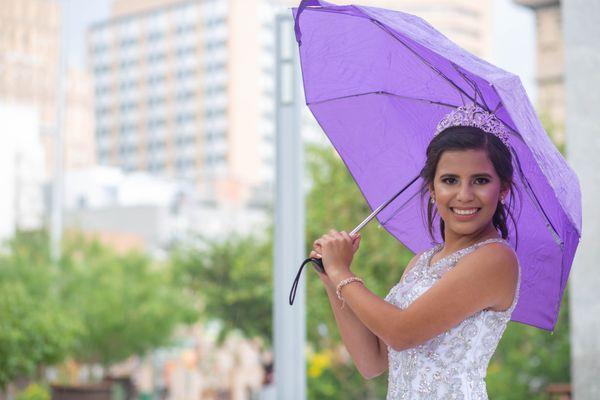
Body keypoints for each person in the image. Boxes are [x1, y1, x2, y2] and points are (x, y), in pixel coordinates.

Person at [310, 106, 520, 399]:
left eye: (480, 180)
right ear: (432, 189)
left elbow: (402, 333)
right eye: (450, 180)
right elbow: (372, 362)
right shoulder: (420, 263)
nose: (464, 194)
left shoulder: (495, 259)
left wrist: (341, 272)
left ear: (503, 189)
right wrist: (329, 277)